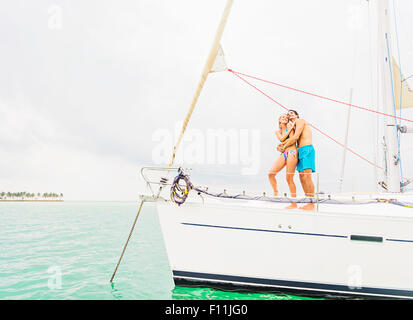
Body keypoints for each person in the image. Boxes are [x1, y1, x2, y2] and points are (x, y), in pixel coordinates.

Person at [277, 110, 315, 211]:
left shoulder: (300, 121)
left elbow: (296, 137)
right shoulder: (293, 126)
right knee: (302, 178)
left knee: (307, 176)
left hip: (307, 149)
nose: (290, 114)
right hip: (300, 150)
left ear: (297, 115)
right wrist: (280, 146)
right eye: (288, 114)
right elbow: (291, 139)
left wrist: (283, 145)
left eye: (292, 113)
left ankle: (312, 203)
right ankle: (308, 201)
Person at [268, 114, 298, 209]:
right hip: (284, 154)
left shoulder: (289, 126)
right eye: (282, 117)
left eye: (286, 117)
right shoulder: (277, 131)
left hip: (292, 152)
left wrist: (280, 145)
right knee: (271, 174)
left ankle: (294, 203)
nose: (284, 118)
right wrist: (280, 145)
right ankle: (275, 192)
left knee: (289, 178)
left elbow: (292, 140)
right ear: (279, 120)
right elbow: (281, 138)